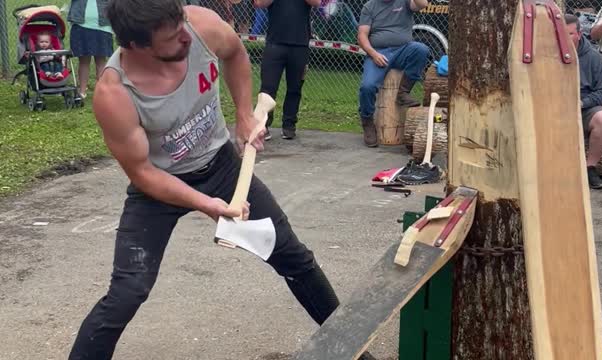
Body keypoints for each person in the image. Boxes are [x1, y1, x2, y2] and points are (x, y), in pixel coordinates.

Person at [67, 1, 369, 359]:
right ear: (136, 45)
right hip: (160, 185)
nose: (185, 37)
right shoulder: (114, 94)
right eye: (172, 37)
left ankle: (353, 349)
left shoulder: (198, 24)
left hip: (222, 165)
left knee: (294, 259)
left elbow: (237, 54)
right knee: (127, 292)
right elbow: (143, 173)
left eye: (181, 23)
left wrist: (243, 114)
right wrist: (204, 205)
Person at [357, 0, 431, 147]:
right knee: (367, 87)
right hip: (379, 53)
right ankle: (367, 121)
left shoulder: (405, 2)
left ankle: (403, 93)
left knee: (421, 50)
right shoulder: (370, 6)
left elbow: (423, 4)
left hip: (403, 49)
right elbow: (362, 35)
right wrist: (373, 54)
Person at [254, 0, 321, 140]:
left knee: (295, 88)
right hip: (275, 43)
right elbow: (260, 3)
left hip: (299, 44)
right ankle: (263, 125)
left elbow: (316, 2)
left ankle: (289, 125)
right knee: (268, 88)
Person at [566, 14, 602, 190]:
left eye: (570, 34)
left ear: (579, 34)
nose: (565, 38)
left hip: (583, 106)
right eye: (561, 34)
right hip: (551, 107)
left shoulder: (595, 58)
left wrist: (582, 103)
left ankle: (590, 167)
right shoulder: (546, 53)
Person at [67, 0, 114, 98]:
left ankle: (101, 91)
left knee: (101, 61)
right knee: (83, 61)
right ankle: (82, 91)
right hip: (81, 25)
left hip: (103, 26)